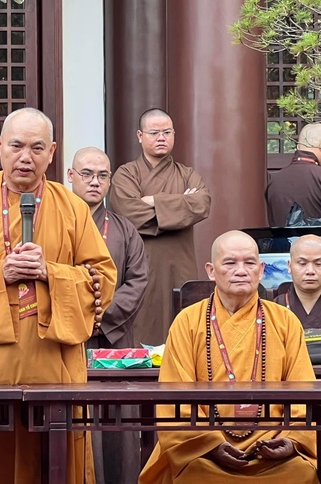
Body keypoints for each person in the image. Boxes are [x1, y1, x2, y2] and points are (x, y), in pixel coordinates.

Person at [0, 107, 117, 484]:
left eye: (37, 147)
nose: (25, 157)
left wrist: (50, 272)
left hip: (56, 362)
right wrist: (0, 273)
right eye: (16, 146)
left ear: (52, 152)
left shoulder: (73, 209)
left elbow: (102, 278)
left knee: (58, 461)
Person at [139, 230, 317, 484]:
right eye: (230, 263)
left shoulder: (285, 321)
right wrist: (209, 444)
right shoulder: (187, 322)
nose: (241, 271)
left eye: (249, 263)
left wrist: (291, 441)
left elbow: (303, 392)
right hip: (203, 449)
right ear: (211, 271)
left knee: (301, 473)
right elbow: (174, 397)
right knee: (194, 474)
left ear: (261, 270)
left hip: (272, 445)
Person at [68, 146, 147, 484]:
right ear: (71, 176)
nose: (94, 182)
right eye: (87, 174)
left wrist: (100, 318)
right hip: (65, 339)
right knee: (71, 418)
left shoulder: (124, 230)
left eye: (102, 175)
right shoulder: (53, 224)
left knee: (115, 424)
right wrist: (74, 318)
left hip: (112, 340)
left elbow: (137, 281)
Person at [109, 108, 211, 346]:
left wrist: (153, 200)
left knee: (183, 330)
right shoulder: (126, 174)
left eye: (167, 132)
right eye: (154, 133)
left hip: (180, 265)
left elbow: (201, 204)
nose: (161, 138)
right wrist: (179, 205)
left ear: (174, 134)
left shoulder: (187, 174)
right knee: (141, 327)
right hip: (140, 265)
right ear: (140, 136)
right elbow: (129, 214)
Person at [265, 123, 321, 227]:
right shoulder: (318, 176)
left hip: (282, 238)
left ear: (298, 146)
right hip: (315, 237)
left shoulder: (275, 180)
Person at [274, 234, 321, 328]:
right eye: (302, 263)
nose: (310, 271)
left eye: (318, 264)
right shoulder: (275, 308)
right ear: (289, 266)